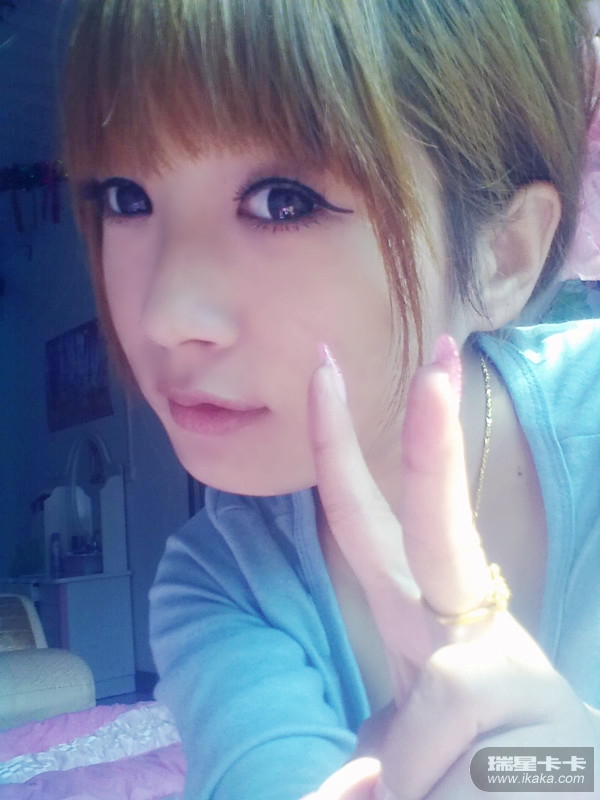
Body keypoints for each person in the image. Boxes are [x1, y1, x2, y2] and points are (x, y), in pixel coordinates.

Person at [61, 1, 600, 798]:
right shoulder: (218, 581)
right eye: (125, 198)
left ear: (502, 254)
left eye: (282, 201)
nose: (163, 315)